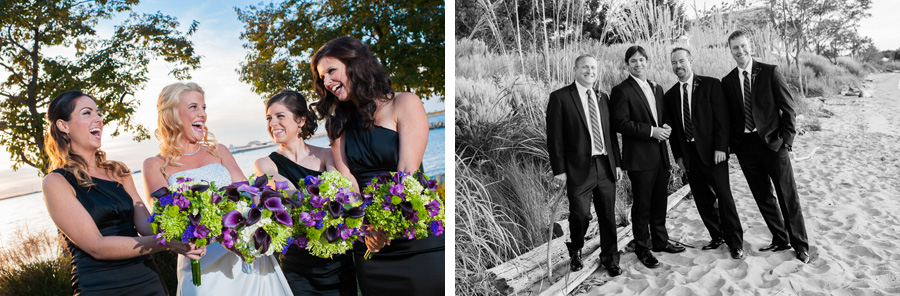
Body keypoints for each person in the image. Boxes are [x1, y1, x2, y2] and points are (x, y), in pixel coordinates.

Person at [312, 36, 444, 295]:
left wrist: (386, 225)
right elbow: (347, 180)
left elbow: (407, 170)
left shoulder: (404, 103)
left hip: (412, 233)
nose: (326, 82)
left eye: (331, 71)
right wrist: (366, 228)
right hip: (371, 245)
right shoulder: (337, 124)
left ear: (355, 65)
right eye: (321, 77)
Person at [41, 90, 203, 295]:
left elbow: (147, 225)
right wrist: (165, 243)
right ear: (64, 126)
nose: (98, 119)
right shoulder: (56, 182)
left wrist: (187, 220)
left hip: (146, 278)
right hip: (100, 285)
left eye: (98, 113)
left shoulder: (118, 172)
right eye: (87, 113)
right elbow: (96, 246)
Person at [142, 82, 293, 295]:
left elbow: (248, 194)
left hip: (245, 258)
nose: (202, 114)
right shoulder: (155, 164)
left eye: (204, 108)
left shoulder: (219, 151)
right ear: (173, 114)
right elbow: (163, 218)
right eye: (194, 107)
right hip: (201, 264)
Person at [252, 89, 357, 295]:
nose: (272, 124)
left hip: (336, 260)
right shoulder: (265, 164)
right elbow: (295, 197)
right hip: (297, 266)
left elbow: (344, 194)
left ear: (300, 120)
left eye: (280, 116)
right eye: (269, 118)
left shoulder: (327, 155)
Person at [721, 31, 810, 263]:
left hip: (774, 143)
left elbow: (788, 108)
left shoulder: (770, 71)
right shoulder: (728, 81)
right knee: (763, 197)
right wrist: (734, 146)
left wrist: (786, 141)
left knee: (787, 196)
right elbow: (729, 117)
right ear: (730, 51)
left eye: (743, 46)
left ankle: (801, 245)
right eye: (735, 48)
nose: (740, 51)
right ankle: (780, 239)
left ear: (750, 46)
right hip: (746, 147)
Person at [663, 48, 745, 259]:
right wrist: (678, 156)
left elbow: (722, 119)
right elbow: (674, 130)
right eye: (674, 63)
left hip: (713, 152)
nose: (678, 66)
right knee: (702, 199)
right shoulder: (670, 95)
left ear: (691, 60)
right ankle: (717, 235)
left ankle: (735, 243)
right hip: (689, 155)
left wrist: (721, 147)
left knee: (724, 197)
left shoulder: (711, 84)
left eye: (682, 61)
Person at [545, 54, 623, 276]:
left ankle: (610, 258)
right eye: (585, 67)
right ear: (575, 69)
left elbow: (609, 134)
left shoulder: (603, 97)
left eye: (593, 68)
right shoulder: (560, 97)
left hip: (605, 165)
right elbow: (555, 137)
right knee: (580, 215)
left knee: (608, 215)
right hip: (579, 168)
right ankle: (576, 247)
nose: (590, 71)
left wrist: (616, 163)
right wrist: (559, 170)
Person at [610, 45, 685, 269]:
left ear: (647, 61)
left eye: (642, 60)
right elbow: (620, 123)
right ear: (627, 65)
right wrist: (651, 131)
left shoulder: (657, 87)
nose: (638, 64)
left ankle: (661, 241)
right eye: (633, 61)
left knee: (660, 202)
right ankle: (643, 247)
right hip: (639, 158)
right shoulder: (621, 90)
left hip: (661, 156)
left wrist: (667, 127)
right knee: (642, 206)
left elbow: (664, 116)